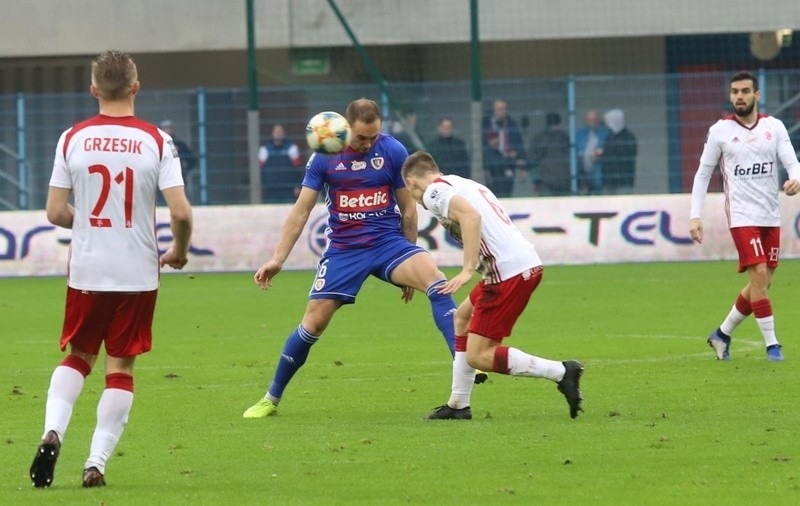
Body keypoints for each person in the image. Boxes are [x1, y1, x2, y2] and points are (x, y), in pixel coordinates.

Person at [29, 50, 193, 489]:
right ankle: (95, 463)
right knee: (121, 365)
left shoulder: (72, 138)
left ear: (94, 90)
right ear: (136, 87)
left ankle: (53, 432)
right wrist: (178, 251)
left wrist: (83, 221)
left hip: (87, 269)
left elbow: (54, 211)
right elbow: (180, 213)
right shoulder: (157, 140)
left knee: (78, 356)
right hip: (137, 271)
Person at [242, 98, 460, 419]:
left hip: (388, 243)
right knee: (313, 323)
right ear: (346, 127)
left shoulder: (393, 150)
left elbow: (408, 209)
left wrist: (410, 250)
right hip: (345, 250)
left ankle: (463, 358)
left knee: (436, 278)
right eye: (361, 138)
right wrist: (278, 259)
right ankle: (271, 398)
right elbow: (301, 211)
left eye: (374, 137)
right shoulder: (325, 156)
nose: (368, 144)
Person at [401, 151, 584, 420]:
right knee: (461, 319)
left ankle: (562, 371)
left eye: (411, 192)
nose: (416, 200)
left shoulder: (433, 192)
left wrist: (466, 269)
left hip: (507, 275)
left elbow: (471, 218)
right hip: (519, 265)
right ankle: (458, 405)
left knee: (479, 356)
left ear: (412, 183)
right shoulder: (464, 183)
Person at [690, 70, 800, 362]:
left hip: (770, 215)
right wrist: (694, 215)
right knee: (760, 275)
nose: (739, 96)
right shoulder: (720, 131)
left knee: (762, 283)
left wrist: (796, 178)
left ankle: (722, 334)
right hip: (741, 216)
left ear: (756, 95)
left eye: (744, 91)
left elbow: (793, 162)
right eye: (734, 92)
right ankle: (773, 346)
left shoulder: (774, 127)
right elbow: (703, 174)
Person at [481, 99, 526, 198]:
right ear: (494, 110)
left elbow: (518, 142)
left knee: (508, 190)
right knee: (494, 191)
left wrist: (519, 158)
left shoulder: (511, 124)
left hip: (509, 162)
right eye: (499, 109)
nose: (501, 111)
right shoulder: (487, 124)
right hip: (493, 164)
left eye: (503, 109)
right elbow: (482, 143)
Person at [528, 112, 572, 195]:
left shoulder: (539, 138)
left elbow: (531, 160)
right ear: (559, 122)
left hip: (545, 181)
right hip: (565, 181)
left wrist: (536, 180)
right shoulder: (565, 138)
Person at [258, 123, 302, 203]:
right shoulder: (264, 150)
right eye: (276, 131)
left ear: (283, 133)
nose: (278, 134)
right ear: (272, 133)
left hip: (288, 190)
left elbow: (298, 169)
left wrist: (298, 186)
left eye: (280, 131)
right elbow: (260, 171)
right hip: (271, 191)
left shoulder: (292, 149)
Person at [600, 109, 638, 194]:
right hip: (608, 180)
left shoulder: (628, 137)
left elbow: (627, 155)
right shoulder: (609, 137)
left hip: (623, 181)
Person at [575, 109, 609, 194]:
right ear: (585, 120)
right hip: (582, 173)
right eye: (589, 120)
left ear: (598, 120)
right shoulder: (579, 134)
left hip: (600, 173)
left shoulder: (605, 133)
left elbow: (609, 149)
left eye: (593, 119)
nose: (591, 122)